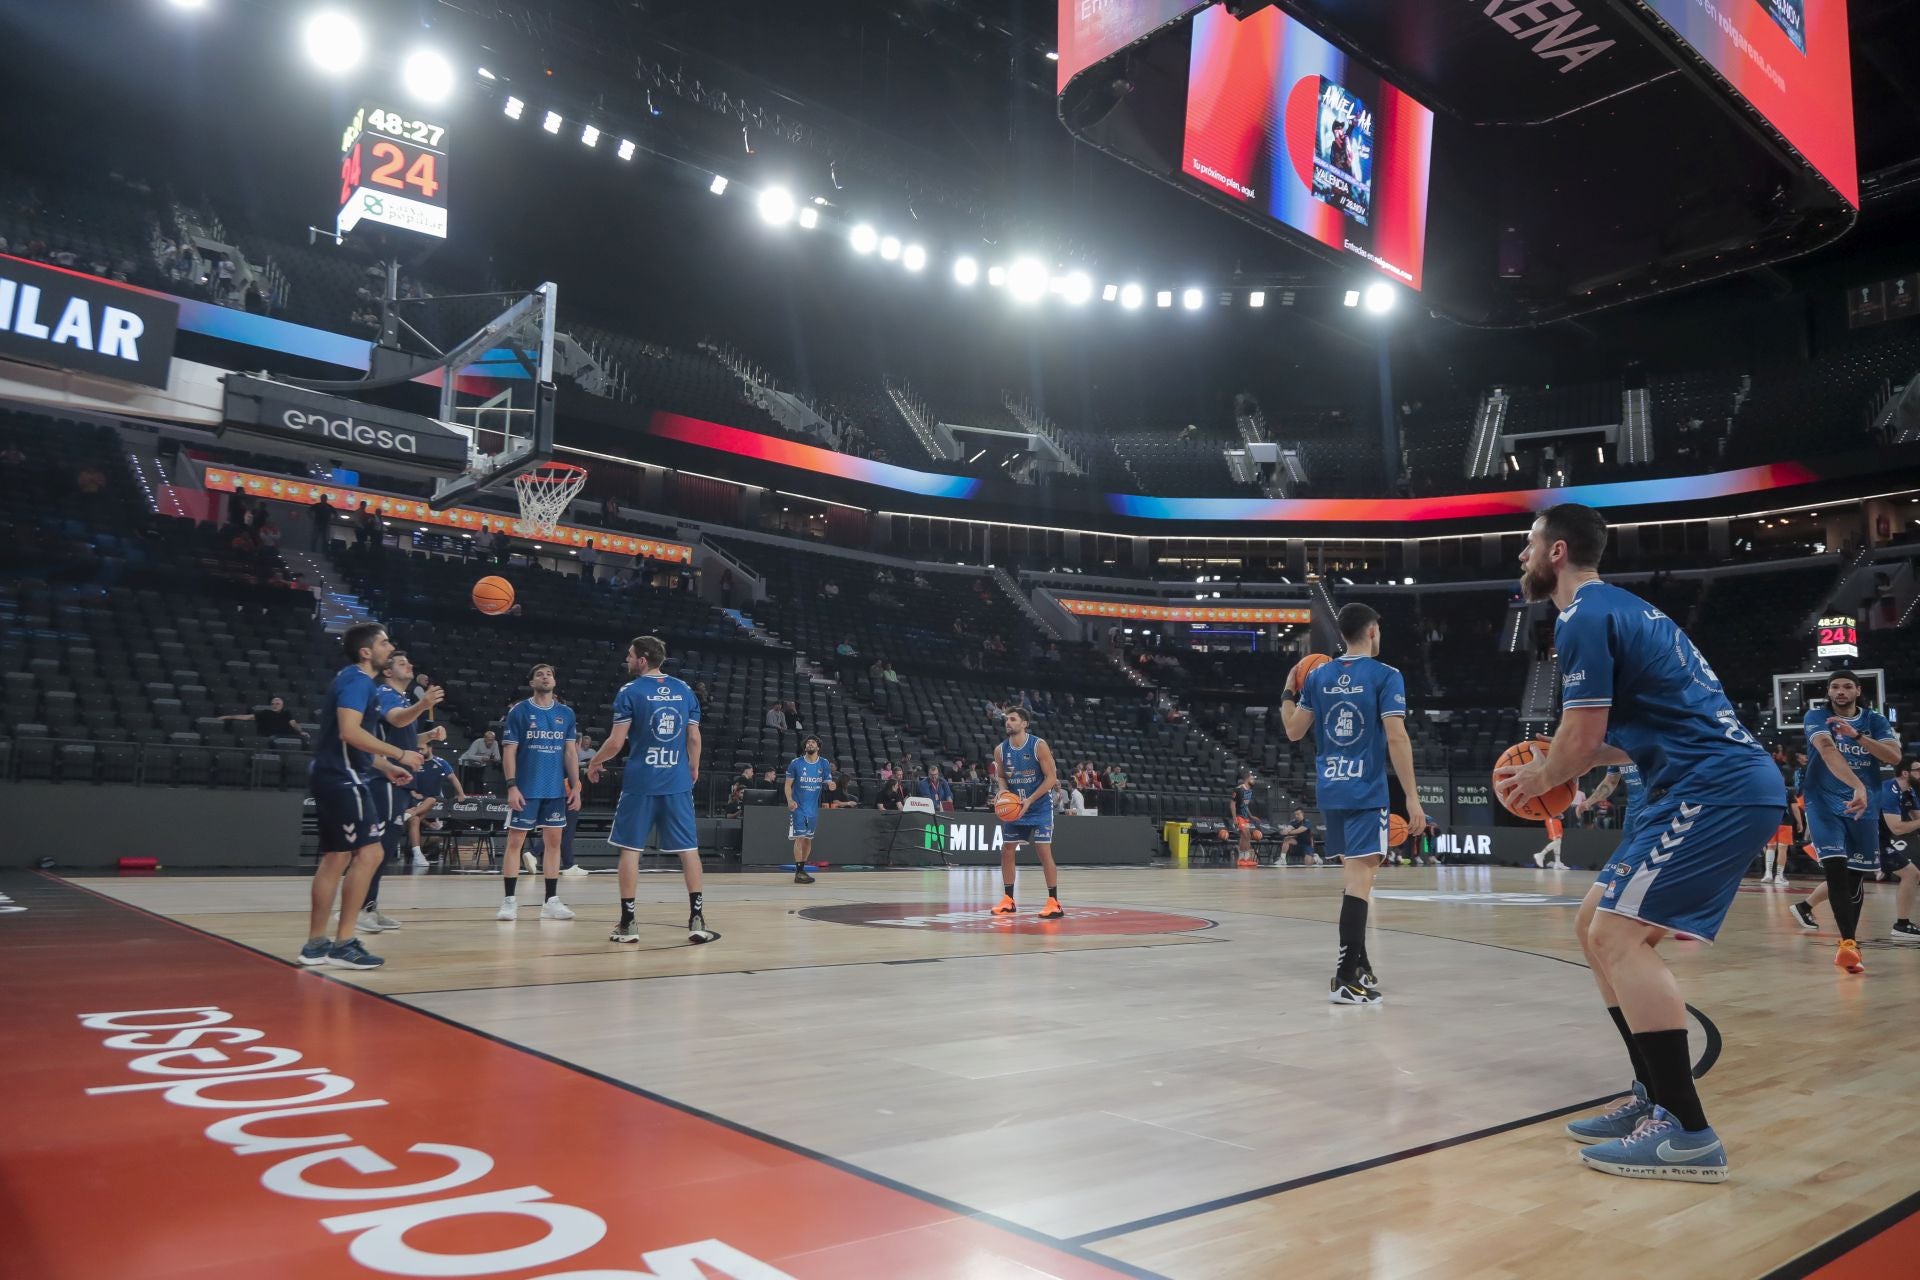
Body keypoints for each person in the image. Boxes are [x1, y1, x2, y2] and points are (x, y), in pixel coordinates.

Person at [1495, 503, 1783, 1183]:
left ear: (1557, 551)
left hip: (1712, 787)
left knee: (1621, 938)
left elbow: (1585, 741)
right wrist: (1565, 763)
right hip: (1687, 782)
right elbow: (1632, 741)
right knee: (1592, 924)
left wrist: (1538, 776)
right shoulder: (1626, 610)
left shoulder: (1586, 617)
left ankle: (1687, 1131)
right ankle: (1652, 1097)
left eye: (1528, 543)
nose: (1521, 556)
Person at [1284, 603, 1423, 1004]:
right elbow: (1396, 738)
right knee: (1361, 882)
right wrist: (1412, 798)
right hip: (1365, 791)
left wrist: (1287, 691)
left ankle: (1358, 963)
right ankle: (1345, 977)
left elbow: (1293, 731)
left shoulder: (1319, 676)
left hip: (1331, 789)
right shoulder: (1386, 676)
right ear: (1374, 631)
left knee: (1355, 880)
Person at [299, 623, 421, 971]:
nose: (390, 646)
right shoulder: (357, 680)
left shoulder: (352, 679)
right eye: (384, 642)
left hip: (337, 774)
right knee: (370, 853)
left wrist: (383, 766)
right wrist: (399, 754)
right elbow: (349, 733)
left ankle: (316, 944)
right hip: (343, 778)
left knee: (336, 859)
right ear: (367, 652)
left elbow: (353, 740)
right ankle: (343, 942)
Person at [586, 635, 714, 945]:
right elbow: (694, 739)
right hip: (677, 781)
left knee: (631, 851)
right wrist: (693, 767)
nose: (627, 660)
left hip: (641, 782)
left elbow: (617, 743)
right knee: (689, 851)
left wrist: (594, 762)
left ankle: (629, 923)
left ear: (643, 659)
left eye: (630, 656)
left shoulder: (630, 692)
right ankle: (697, 918)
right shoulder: (685, 691)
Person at [1785, 670, 1898, 971]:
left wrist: (1858, 736)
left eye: (1847, 686)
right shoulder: (1817, 717)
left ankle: (1848, 940)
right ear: (1829, 691)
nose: (1841, 691)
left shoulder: (1875, 721)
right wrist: (1856, 784)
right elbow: (1826, 749)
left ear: (1858, 691)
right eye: (1835, 686)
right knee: (1835, 869)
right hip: (1823, 802)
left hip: (1863, 808)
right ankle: (1848, 944)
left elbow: (1894, 758)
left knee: (1853, 877)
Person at [1797, 753, 1920, 941]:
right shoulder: (1890, 790)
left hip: (1880, 837)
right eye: (1918, 770)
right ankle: (1902, 925)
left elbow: (1915, 818)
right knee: (1911, 874)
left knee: (1848, 879)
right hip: (1868, 836)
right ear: (1905, 773)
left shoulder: (1909, 791)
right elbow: (1897, 827)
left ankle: (1804, 907)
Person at [363, 651, 444, 931]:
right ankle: (359, 909)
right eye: (401, 662)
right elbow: (397, 720)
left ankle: (370, 907)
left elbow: (404, 732)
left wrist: (427, 737)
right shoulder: (385, 692)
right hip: (383, 778)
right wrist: (423, 705)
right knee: (376, 848)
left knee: (384, 849)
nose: (409, 664)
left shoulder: (402, 699)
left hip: (399, 781)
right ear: (387, 671)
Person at [496, 664, 581, 923]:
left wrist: (576, 786)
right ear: (532, 682)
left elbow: (570, 753)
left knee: (554, 843)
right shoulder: (519, 711)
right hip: (526, 788)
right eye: (540, 674)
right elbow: (509, 751)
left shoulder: (566, 714)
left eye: (550, 674)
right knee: (515, 843)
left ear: (555, 681)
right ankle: (509, 902)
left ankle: (551, 902)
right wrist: (511, 785)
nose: (546, 677)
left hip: (555, 790)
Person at [991, 707, 1063, 919]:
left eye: (1013, 719)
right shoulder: (1000, 750)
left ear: (1024, 723)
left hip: (1039, 805)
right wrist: (1003, 792)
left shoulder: (1038, 746)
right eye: (1006, 719)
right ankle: (1008, 900)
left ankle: (1054, 901)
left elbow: (1051, 778)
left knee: (1043, 850)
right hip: (1016, 807)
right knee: (1007, 849)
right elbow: (1002, 776)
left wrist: (1030, 800)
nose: (1008, 722)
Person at [400, 738, 464, 867]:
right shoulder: (414, 762)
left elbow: (453, 778)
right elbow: (405, 778)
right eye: (418, 749)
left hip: (431, 803)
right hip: (414, 800)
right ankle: (418, 855)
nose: (419, 751)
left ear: (430, 748)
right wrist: (412, 791)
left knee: (431, 801)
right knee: (415, 819)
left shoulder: (440, 763)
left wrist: (461, 793)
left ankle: (409, 814)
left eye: (422, 749)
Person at [785, 735, 829, 885]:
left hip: (812, 809)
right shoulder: (796, 763)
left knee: (809, 839)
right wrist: (790, 800)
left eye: (813, 742)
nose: (810, 744)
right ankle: (798, 872)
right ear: (805, 747)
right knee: (800, 838)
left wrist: (831, 785)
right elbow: (787, 785)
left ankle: (802, 869)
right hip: (798, 807)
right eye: (808, 742)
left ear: (818, 747)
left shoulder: (823, 763)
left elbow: (828, 781)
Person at [219, 695, 308, 743]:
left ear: (282, 705)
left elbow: (293, 723)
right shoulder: (266, 713)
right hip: (274, 736)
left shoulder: (287, 713)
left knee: (304, 738)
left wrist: (301, 732)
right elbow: (248, 717)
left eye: (277, 703)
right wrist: (228, 716)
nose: (275, 705)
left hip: (287, 735)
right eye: (273, 703)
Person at [1231, 769, 1258, 865]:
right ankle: (1242, 858)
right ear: (1247, 779)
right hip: (1239, 816)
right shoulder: (1238, 789)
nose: (1254, 780)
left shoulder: (1250, 791)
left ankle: (1245, 859)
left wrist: (1251, 816)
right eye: (1252, 779)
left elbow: (1245, 805)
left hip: (1245, 817)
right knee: (1246, 835)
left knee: (1246, 836)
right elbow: (1232, 804)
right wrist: (1234, 818)